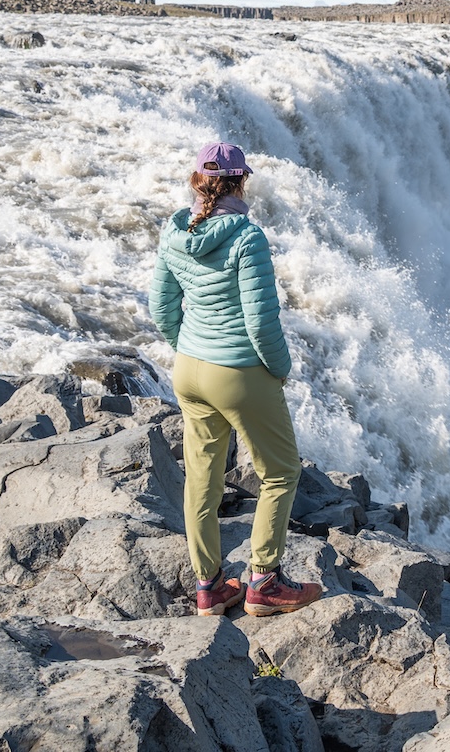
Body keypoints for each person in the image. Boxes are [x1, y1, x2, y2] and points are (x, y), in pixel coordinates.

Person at [148, 141, 323, 618]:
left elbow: (161, 308)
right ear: (240, 182)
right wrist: (279, 371)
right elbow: (261, 324)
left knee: (201, 480)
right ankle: (264, 582)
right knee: (281, 472)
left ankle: (210, 588)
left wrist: (189, 346)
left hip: (188, 370)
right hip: (238, 372)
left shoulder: (173, 231)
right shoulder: (247, 238)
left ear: (196, 182)